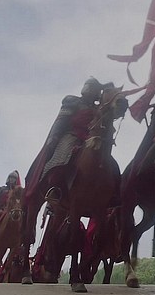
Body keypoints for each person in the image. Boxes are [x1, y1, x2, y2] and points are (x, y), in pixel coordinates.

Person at [24, 77, 104, 205]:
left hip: (90, 138)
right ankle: (54, 187)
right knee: (63, 155)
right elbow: (61, 120)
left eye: (97, 89)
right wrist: (54, 137)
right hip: (72, 135)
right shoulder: (73, 101)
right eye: (94, 88)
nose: (95, 91)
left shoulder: (99, 109)